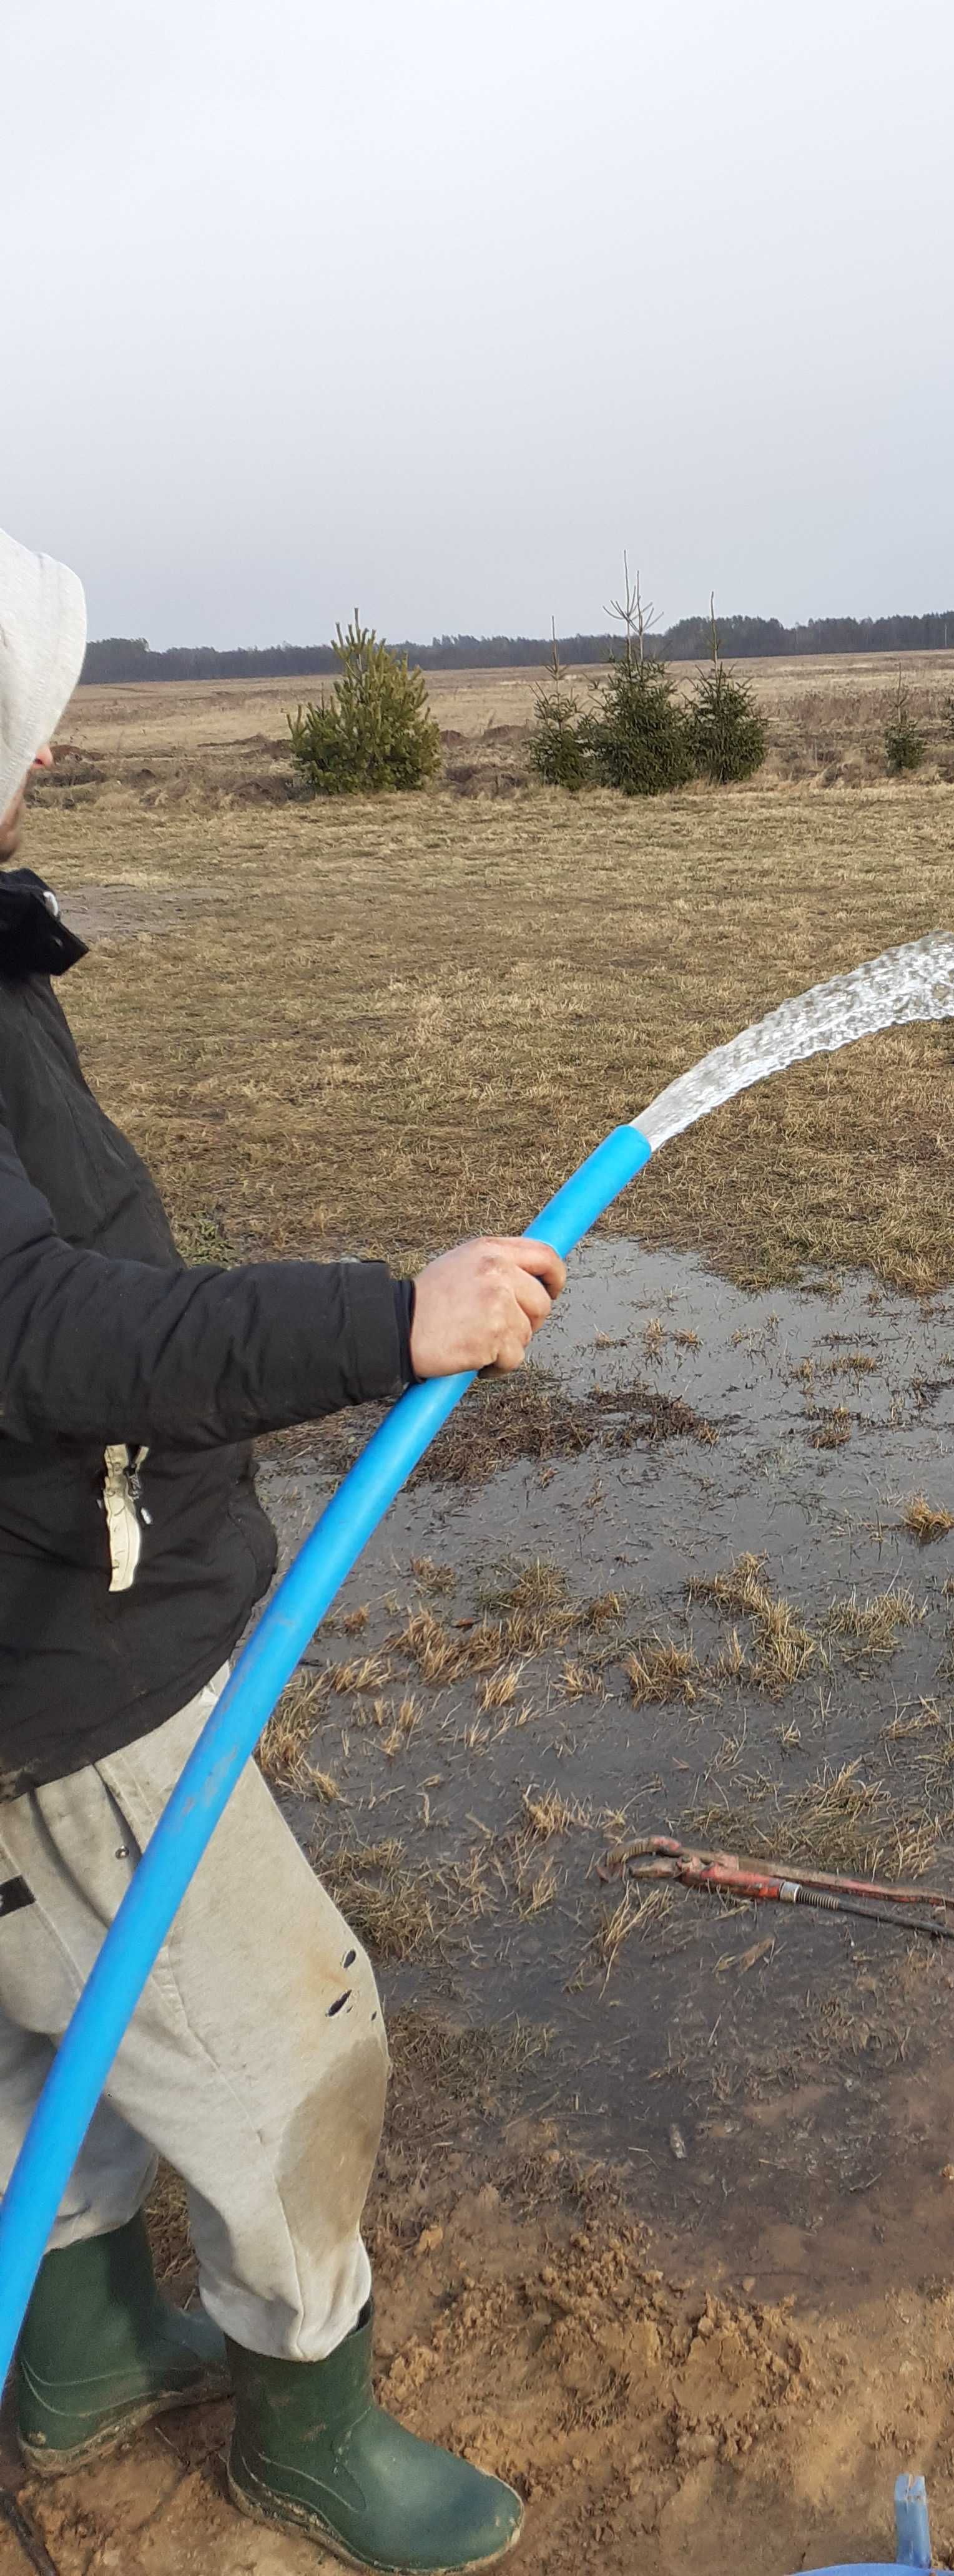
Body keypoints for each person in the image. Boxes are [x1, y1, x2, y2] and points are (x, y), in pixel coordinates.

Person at [0, 525, 566, 2572]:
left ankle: (67, 2362)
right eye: (28, 725)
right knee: (281, 2031)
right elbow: (46, 1334)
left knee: (31, 2032)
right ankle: (307, 2416)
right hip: (60, 1668)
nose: (45, 763)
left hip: (29, 1640)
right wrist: (382, 1319)